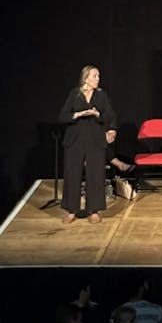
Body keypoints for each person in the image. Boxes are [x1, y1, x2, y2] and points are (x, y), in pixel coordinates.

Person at [58, 64, 119, 224]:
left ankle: (94, 210)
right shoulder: (74, 94)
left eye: (98, 76)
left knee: (96, 174)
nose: (98, 79)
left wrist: (98, 114)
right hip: (75, 139)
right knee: (72, 173)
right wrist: (78, 114)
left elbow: (110, 117)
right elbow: (63, 116)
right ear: (86, 78)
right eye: (94, 76)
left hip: (94, 139)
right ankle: (72, 210)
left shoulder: (101, 95)